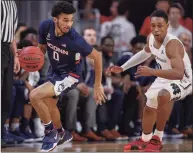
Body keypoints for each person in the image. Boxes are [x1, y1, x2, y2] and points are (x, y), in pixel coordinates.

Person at [106, 10, 192, 151]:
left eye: (160, 25)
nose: (156, 29)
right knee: (149, 104)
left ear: (167, 26)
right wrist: (122, 68)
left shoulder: (172, 44)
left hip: (183, 80)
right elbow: (145, 52)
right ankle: (145, 139)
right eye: (153, 25)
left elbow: (178, 73)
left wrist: (151, 71)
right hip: (164, 76)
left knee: (164, 95)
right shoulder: (151, 38)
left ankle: (157, 139)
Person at [29, 2, 106, 152]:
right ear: (55, 19)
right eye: (65, 19)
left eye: (71, 19)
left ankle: (50, 134)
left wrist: (97, 85)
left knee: (34, 95)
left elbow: (97, 56)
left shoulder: (75, 39)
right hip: (55, 71)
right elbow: (41, 49)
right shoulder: (45, 27)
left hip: (70, 76)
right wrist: (30, 57)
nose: (69, 23)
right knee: (50, 106)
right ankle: (61, 133)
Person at [1, 0, 20, 146]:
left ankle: (2, 132)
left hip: (8, 49)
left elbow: (12, 33)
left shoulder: (12, 3)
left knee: (6, 94)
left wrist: (16, 57)